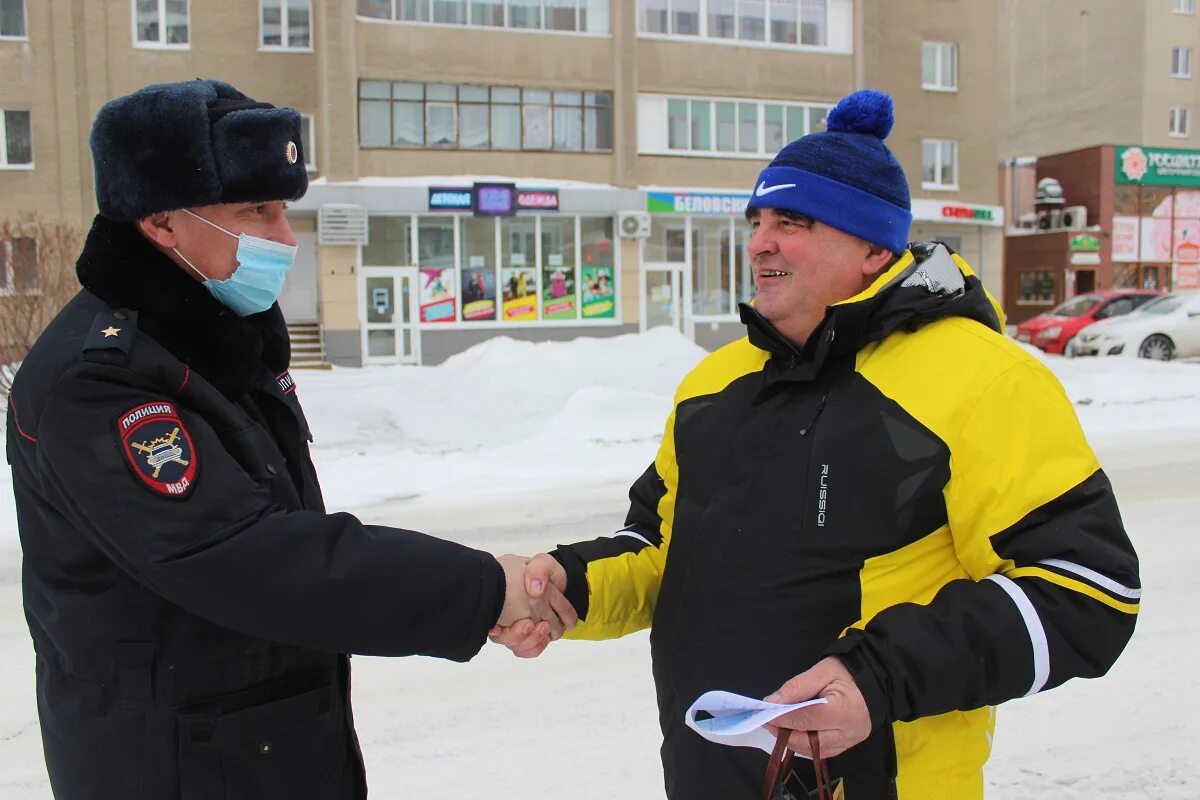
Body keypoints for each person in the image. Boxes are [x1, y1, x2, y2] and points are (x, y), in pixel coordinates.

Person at [491, 90, 1140, 798]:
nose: (761, 241)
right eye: (757, 221)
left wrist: (878, 677)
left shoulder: (982, 378)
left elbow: (1088, 591)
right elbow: (659, 553)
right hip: (709, 777)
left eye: (792, 222)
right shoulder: (714, 385)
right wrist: (564, 585)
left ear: (871, 246)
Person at [6, 79, 573, 799]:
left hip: (268, 752)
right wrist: (485, 590)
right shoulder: (99, 382)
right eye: (258, 211)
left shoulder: (215, 345)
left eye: (284, 210)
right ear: (160, 223)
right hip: (175, 767)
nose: (284, 238)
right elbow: (248, 557)